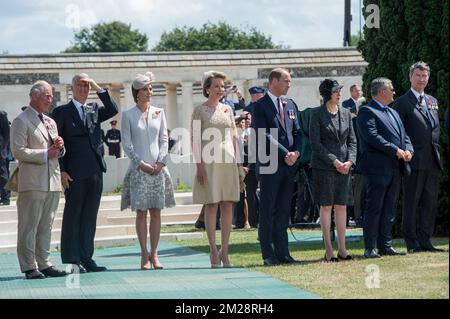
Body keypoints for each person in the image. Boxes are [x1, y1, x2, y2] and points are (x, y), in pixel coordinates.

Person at [51, 73, 118, 273]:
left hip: (95, 170)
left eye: (86, 86)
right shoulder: (61, 111)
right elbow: (55, 143)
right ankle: (72, 258)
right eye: (80, 85)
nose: (83, 89)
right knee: (74, 215)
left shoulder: (93, 110)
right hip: (74, 172)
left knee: (90, 216)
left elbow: (113, 109)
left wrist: (97, 86)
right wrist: (62, 171)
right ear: (72, 88)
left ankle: (87, 257)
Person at [8, 81, 66, 279]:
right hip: (32, 182)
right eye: (47, 95)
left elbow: (56, 152)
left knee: (46, 225)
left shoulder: (51, 121)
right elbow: (18, 151)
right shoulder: (21, 120)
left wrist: (60, 146)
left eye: (51, 96)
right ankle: (28, 266)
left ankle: (44, 263)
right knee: (28, 225)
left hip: (52, 180)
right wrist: (45, 153)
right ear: (34, 96)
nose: (50, 99)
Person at [120, 72, 176, 270]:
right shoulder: (127, 115)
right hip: (139, 170)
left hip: (158, 170)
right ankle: (144, 254)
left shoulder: (159, 112)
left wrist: (161, 162)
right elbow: (126, 144)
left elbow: (164, 139)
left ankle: (155, 253)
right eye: (145, 89)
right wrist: (141, 163)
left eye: (150, 88)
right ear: (137, 92)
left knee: (156, 212)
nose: (149, 92)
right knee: (141, 213)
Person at [356, 77, 414, 258]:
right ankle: (370, 247)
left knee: (389, 208)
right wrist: (395, 150)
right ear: (381, 92)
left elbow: (404, 135)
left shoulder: (393, 112)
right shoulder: (367, 111)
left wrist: (408, 150)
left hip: (395, 168)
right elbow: (372, 137)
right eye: (391, 89)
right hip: (376, 169)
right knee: (374, 208)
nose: (394, 92)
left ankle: (385, 245)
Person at [252, 68, 302, 266]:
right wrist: (285, 153)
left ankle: (284, 252)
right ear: (273, 81)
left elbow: (298, 132)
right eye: (286, 81)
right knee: (268, 209)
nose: (289, 84)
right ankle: (268, 254)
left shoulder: (290, 104)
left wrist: (296, 153)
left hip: (289, 165)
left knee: (283, 210)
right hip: (270, 163)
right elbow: (263, 134)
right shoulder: (260, 105)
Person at [191, 70, 240, 268]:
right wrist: (199, 167)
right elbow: (194, 140)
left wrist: (238, 163)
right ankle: (213, 249)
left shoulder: (228, 110)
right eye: (217, 86)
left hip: (228, 161)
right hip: (209, 163)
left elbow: (234, 137)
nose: (221, 89)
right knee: (212, 205)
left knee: (228, 205)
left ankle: (225, 251)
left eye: (222, 86)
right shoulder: (199, 110)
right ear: (207, 89)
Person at [393, 62, 444, 253]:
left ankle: (426, 241)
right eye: (418, 75)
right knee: (411, 204)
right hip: (413, 161)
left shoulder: (432, 100)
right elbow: (399, 131)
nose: (422, 79)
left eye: (424, 76)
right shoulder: (402, 102)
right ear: (410, 77)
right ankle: (412, 243)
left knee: (429, 203)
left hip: (432, 160)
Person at [310, 79, 357, 262]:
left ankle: (343, 249)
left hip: (345, 168)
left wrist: (350, 161)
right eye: (336, 91)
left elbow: (352, 141)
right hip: (324, 167)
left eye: (340, 91)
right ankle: (329, 250)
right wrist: (334, 161)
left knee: (342, 206)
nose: (339, 94)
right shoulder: (316, 114)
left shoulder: (346, 113)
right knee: (326, 206)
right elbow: (316, 143)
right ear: (327, 93)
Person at [0, 110, 11, 205]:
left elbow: (7, 133)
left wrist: (3, 148)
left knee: (2, 174)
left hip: (0, 150)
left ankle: (5, 197)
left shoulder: (1, 114)